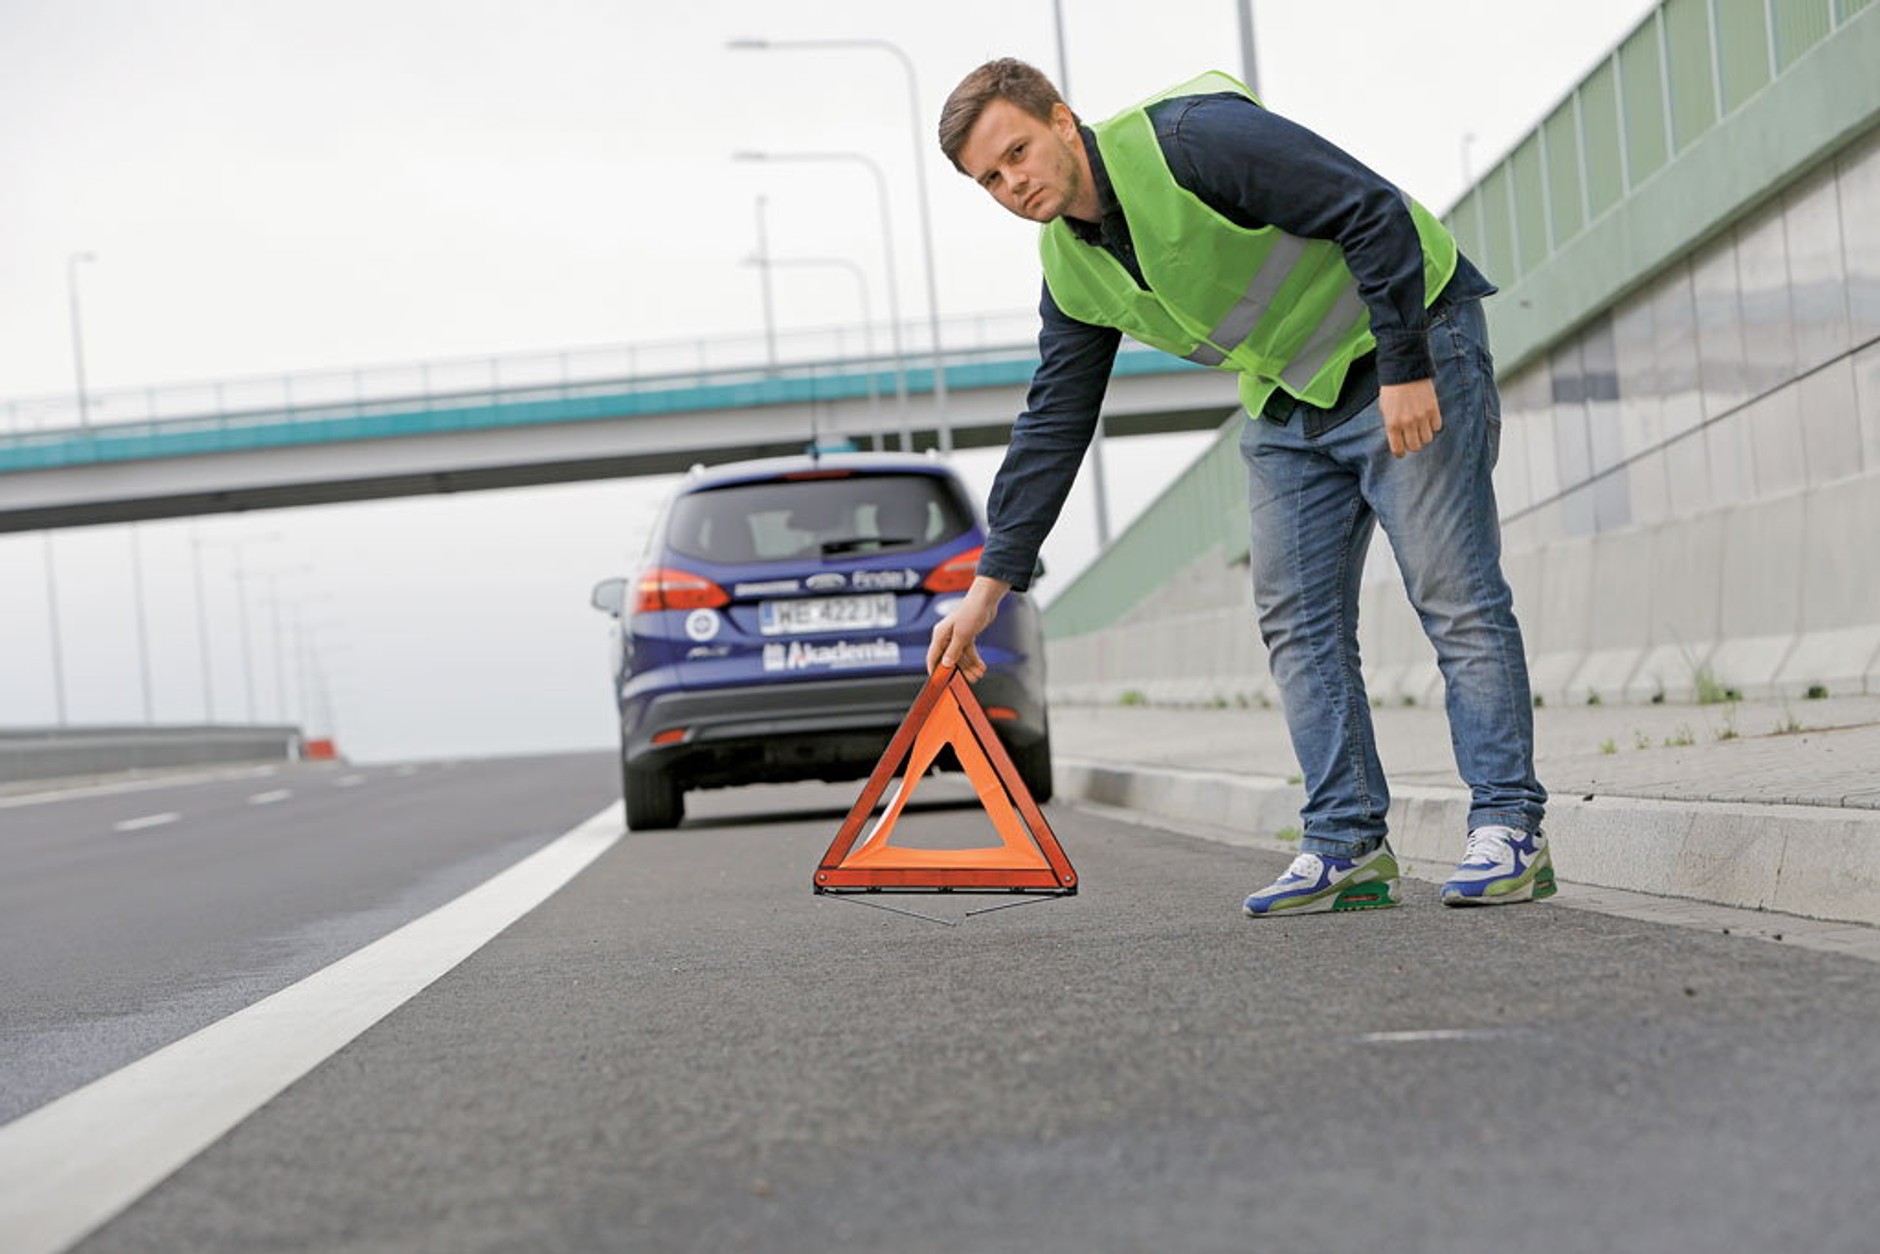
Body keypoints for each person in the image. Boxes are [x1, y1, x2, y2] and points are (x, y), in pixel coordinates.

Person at [925, 58, 1551, 916]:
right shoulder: (1071, 270)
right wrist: (989, 586)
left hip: (1409, 347)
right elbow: (1054, 422)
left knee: (1452, 592)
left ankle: (1511, 828)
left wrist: (1407, 366)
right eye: (990, 180)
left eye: (1018, 152)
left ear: (1064, 120)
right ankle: (1347, 843)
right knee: (1296, 619)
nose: (1014, 183)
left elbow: (1370, 208)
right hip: (1292, 399)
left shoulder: (1191, 141)